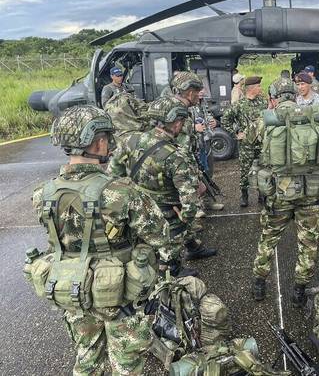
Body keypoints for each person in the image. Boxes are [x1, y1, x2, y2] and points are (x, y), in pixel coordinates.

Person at [31, 105, 175, 375]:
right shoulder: (121, 191)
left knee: (86, 360)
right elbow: (160, 235)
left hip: (73, 292)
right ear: (98, 142)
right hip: (119, 296)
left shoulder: (42, 193)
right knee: (127, 364)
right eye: (107, 138)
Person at [252, 77, 319, 307]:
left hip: (279, 194)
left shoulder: (266, 121)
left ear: (273, 98)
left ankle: (259, 284)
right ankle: (299, 291)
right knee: (308, 244)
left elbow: (250, 147)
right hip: (313, 194)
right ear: (295, 95)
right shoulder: (313, 119)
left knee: (268, 239)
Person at [109, 97, 217, 277]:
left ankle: (192, 247)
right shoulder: (175, 156)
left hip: (140, 205)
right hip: (168, 209)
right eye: (181, 122)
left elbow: (114, 173)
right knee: (178, 228)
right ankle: (173, 268)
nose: (182, 126)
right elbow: (189, 198)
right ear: (175, 123)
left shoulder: (130, 140)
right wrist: (187, 216)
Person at [164, 71, 223, 211]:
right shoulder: (174, 109)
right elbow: (178, 142)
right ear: (190, 93)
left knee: (205, 174)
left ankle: (203, 204)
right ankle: (191, 212)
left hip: (198, 146)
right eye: (198, 91)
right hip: (180, 158)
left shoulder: (189, 107)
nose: (201, 93)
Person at [221, 76, 268, 207]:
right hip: (246, 145)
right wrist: (235, 134)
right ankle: (244, 195)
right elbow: (225, 120)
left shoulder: (263, 102)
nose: (260, 88)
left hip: (261, 143)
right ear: (252, 88)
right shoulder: (239, 105)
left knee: (263, 169)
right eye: (258, 86)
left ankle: (262, 194)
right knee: (245, 170)